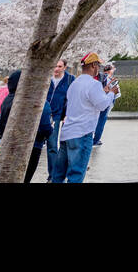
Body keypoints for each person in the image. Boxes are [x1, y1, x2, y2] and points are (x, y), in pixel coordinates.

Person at [50, 52, 118, 183]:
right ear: (93, 65)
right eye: (98, 65)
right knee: (75, 175)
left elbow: (86, 100)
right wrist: (111, 94)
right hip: (82, 133)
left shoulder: (74, 84)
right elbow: (102, 105)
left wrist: (104, 91)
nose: (99, 68)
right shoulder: (94, 84)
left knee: (58, 175)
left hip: (66, 133)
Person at [0, 69, 54, 183]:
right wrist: (50, 131)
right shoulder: (36, 101)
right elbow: (45, 127)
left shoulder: (7, 100)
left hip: (7, 145)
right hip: (31, 146)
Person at [44, 59, 74, 180]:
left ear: (65, 67)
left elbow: (73, 97)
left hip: (57, 115)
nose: (56, 69)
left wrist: (68, 114)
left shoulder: (70, 79)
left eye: (59, 66)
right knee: (44, 145)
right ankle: (54, 173)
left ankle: (53, 175)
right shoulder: (46, 78)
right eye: (54, 66)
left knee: (52, 144)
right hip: (43, 114)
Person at [93, 63, 117, 146]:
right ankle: (96, 139)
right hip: (106, 101)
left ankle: (94, 138)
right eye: (113, 69)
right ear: (110, 70)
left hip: (98, 101)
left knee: (97, 120)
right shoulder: (110, 79)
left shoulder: (100, 77)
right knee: (101, 121)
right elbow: (115, 92)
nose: (114, 70)